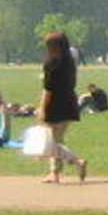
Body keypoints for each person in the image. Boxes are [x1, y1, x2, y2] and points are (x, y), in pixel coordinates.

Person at [38, 29, 87, 183]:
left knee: (53, 142)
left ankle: (76, 162)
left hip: (55, 104)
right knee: (57, 140)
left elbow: (48, 89)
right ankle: (54, 172)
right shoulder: (70, 62)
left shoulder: (51, 64)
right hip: (69, 101)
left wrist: (42, 109)